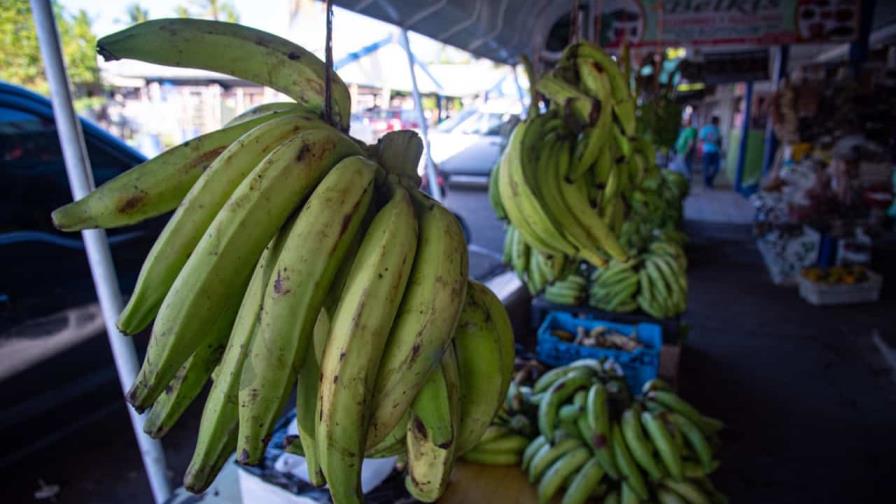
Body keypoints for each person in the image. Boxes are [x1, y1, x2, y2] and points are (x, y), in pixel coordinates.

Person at [699, 116, 722, 188]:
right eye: (718, 122)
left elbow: (719, 140)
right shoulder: (707, 129)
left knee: (713, 168)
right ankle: (708, 182)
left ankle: (709, 181)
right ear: (716, 122)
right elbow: (701, 139)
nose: (719, 123)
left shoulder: (717, 129)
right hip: (709, 151)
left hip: (713, 151)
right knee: (710, 167)